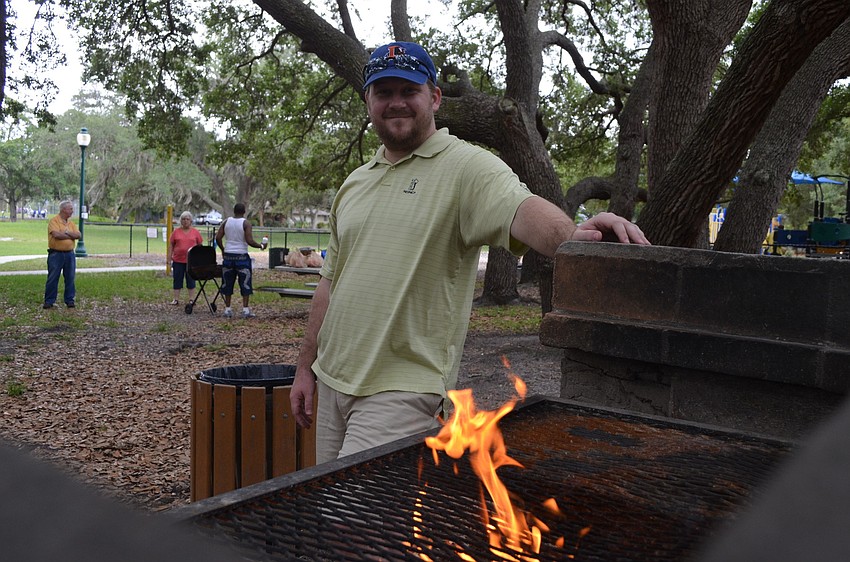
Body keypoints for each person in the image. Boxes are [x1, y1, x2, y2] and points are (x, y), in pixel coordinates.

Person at [290, 41, 650, 464]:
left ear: (435, 97)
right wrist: (305, 367)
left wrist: (574, 236)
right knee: (327, 514)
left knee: (348, 524)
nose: (396, 103)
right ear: (368, 100)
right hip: (331, 382)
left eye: (409, 91)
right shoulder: (355, 183)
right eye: (383, 92)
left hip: (401, 391)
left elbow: (520, 207)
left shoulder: (466, 167)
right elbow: (331, 283)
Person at [215, 203, 267, 318]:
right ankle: (245, 309)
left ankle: (228, 309)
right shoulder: (245, 223)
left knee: (227, 282)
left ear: (234, 211)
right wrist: (261, 246)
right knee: (245, 282)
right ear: (244, 212)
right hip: (241, 256)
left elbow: (218, 237)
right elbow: (249, 241)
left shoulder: (226, 222)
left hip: (228, 255)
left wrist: (223, 249)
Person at [43, 201, 81, 309]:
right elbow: (56, 235)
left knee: (70, 277)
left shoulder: (71, 223)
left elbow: (78, 235)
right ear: (63, 209)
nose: (72, 211)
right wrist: (70, 235)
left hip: (69, 254)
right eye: (70, 209)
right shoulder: (54, 221)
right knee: (53, 277)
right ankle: (49, 301)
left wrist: (67, 233)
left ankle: (69, 300)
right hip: (56, 254)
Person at [166, 211, 203, 305]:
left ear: (191, 221)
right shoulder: (176, 232)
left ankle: (191, 299)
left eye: (187, 219)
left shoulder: (195, 232)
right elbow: (171, 246)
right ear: (181, 221)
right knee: (177, 279)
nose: (185, 221)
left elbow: (200, 246)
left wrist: (199, 260)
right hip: (178, 260)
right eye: (183, 219)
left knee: (191, 280)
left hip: (191, 261)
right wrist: (168, 259)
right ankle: (176, 299)